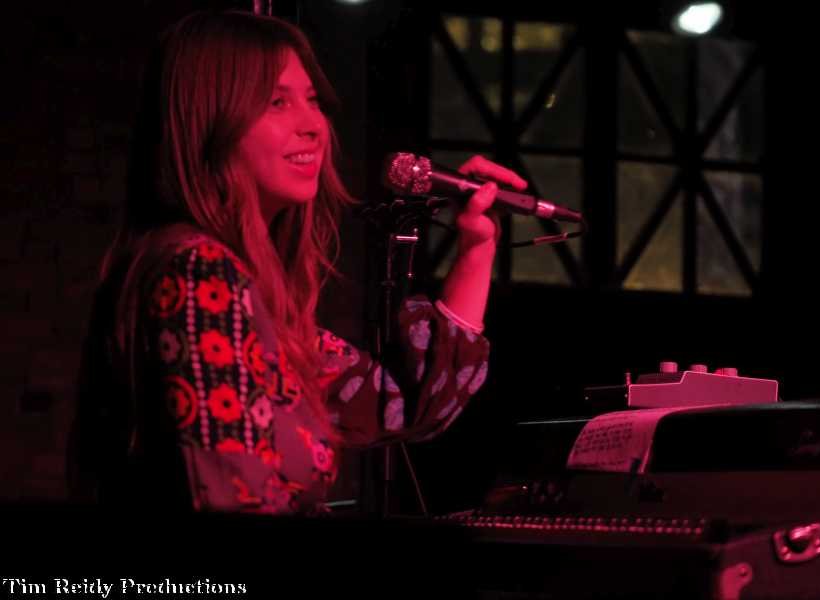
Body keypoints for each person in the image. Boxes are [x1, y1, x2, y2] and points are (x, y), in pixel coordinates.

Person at [67, 9, 529, 515]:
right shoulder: (200, 273)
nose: (313, 125)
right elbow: (233, 497)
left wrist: (477, 246)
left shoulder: (237, 287)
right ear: (210, 120)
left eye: (312, 101)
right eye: (277, 102)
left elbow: (397, 401)